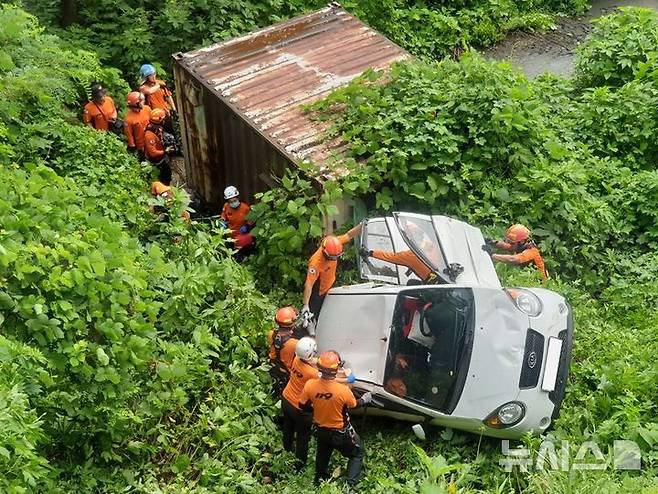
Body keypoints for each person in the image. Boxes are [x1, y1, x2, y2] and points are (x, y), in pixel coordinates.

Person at [299, 350, 371, 486]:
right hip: (340, 432)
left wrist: (317, 409)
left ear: (319, 367)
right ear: (336, 369)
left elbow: (302, 405)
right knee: (357, 453)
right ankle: (350, 485)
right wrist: (365, 399)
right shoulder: (343, 391)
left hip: (321, 430)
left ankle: (319, 481)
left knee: (322, 456)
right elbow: (354, 405)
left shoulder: (310, 385)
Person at [302, 223, 363, 322]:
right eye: (331, 257)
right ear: (325, 252)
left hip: (330, 286)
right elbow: (309, 284)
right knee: (314, 317)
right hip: (318, 292)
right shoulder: (315, 262)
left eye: (336, 257)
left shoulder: (335, 244)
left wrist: (362, 226)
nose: (334, 259)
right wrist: (306, 305)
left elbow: (349, 235)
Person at [281, 337, 318, 467]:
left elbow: (310, 361)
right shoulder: (313, 373)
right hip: (300, 408)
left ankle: (286, 449)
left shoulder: (296, 359)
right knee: (303, 437)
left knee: (288, 426)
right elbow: (324, 378)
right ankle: (299, 465)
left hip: (286, 399)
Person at [359, 247, 437, 283]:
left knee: (411, 283)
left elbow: (391, 257)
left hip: (431, 284)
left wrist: (370, 253)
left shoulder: (411, 255)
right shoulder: (431, 248)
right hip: (440, 279)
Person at [268, 306, 300, 395]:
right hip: (288, 374)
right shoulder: (295, 343)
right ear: (293, 323)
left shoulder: (271, 334)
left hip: (274, 368)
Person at [139, 63, 176, 134]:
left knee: (171, 132)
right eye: (150, 75)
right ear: (146, 77)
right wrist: (159, 85)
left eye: (154, 74)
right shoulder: (143, 87)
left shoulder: (161, 84)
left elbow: (168, 96)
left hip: (165, 114)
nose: (153, 77)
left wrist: (174, 109)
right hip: (154, 117)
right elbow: (149, 91)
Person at [220, 186, 255, 257]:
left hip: (242, 236)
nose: (233, 203)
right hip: (230, 236)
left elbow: (252, 220)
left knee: (242, 254)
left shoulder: (245, 208)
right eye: (231, 201)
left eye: (234, 200)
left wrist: (247, 226)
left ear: (238, 198)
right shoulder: (226, 206)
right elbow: (223, 215)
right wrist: (222, 221)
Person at [144, 108, 173, 184]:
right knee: (164, 176)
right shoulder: (149, 135)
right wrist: (165, 151)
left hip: (161, 154)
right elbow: (153, 153)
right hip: (156, 160)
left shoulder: (157, 128)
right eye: (163, 119)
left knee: (167, 172)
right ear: (160, 121)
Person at [124, 91, 151, 156]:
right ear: (136, 103)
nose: (144, 101)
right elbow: (129, 135)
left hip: (150, 141)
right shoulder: (128, 119)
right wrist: (132, 145)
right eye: (142, 101)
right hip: (141, 146)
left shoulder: (147, 109)